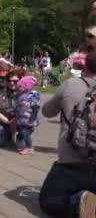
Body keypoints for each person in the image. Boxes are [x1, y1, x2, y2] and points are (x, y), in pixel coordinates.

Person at [40, 51, 96, 217]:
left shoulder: (71, 84)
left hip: (71, 164)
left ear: (84, 65)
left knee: (48, 200)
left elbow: (47, 112)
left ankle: (77, 202)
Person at [0, 73, 20, 148]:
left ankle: (17, 134)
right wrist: (8, 121)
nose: (11, 83)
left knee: (22, 144)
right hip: (2, 122)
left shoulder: (23, 93)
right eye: (9, 81)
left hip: (18, 123)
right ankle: (8, 134)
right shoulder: (0, 93)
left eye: (15, 81)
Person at [14, 76, 40, 155]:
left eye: (20, 86)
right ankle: (22, 145)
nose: (18, 88)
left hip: (29, 119)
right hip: (21, 118)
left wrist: (32, 120)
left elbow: (35, 107)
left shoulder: (33, 95)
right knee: (21, 132)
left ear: (27, 86)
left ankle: (29, 148)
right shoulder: (20, 95)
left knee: (26, 133)